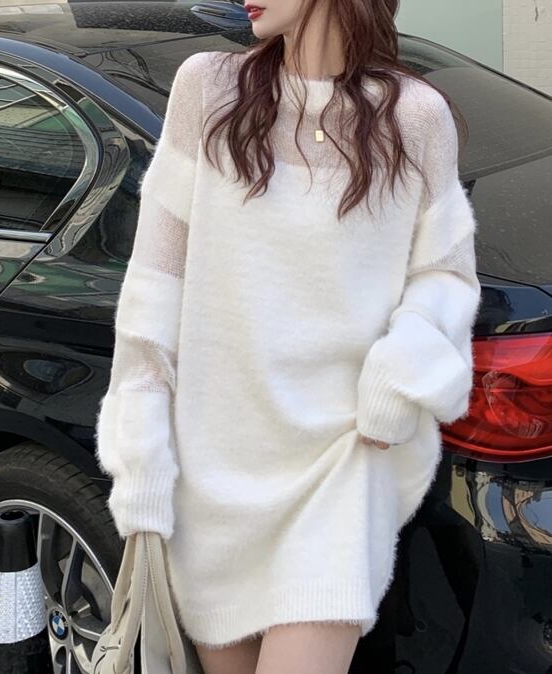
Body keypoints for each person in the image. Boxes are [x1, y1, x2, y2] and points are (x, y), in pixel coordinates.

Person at [94, 0, 481, 671]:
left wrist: (400, 374)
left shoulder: (414, 116)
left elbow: (445, 274)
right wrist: (143, 453)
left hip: (339, 461)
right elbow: (156, 284)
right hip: (213, 468)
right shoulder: (208, 89)